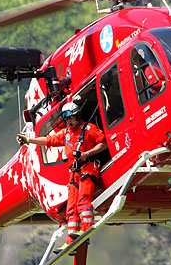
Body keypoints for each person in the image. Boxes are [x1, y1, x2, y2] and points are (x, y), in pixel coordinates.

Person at [17, 101, 107, 252]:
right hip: (74, 173)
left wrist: (87, 154)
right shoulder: (66, 134)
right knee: (71, 207)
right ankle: (71, 241)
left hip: (88, 168)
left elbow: (103, 143)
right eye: (66, 120)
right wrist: (29, 140)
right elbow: (48, 140)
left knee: (84, 199)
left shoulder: (89, 129)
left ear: (77, 115)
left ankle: (86, 230)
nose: (68, 122)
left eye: (70, 118)